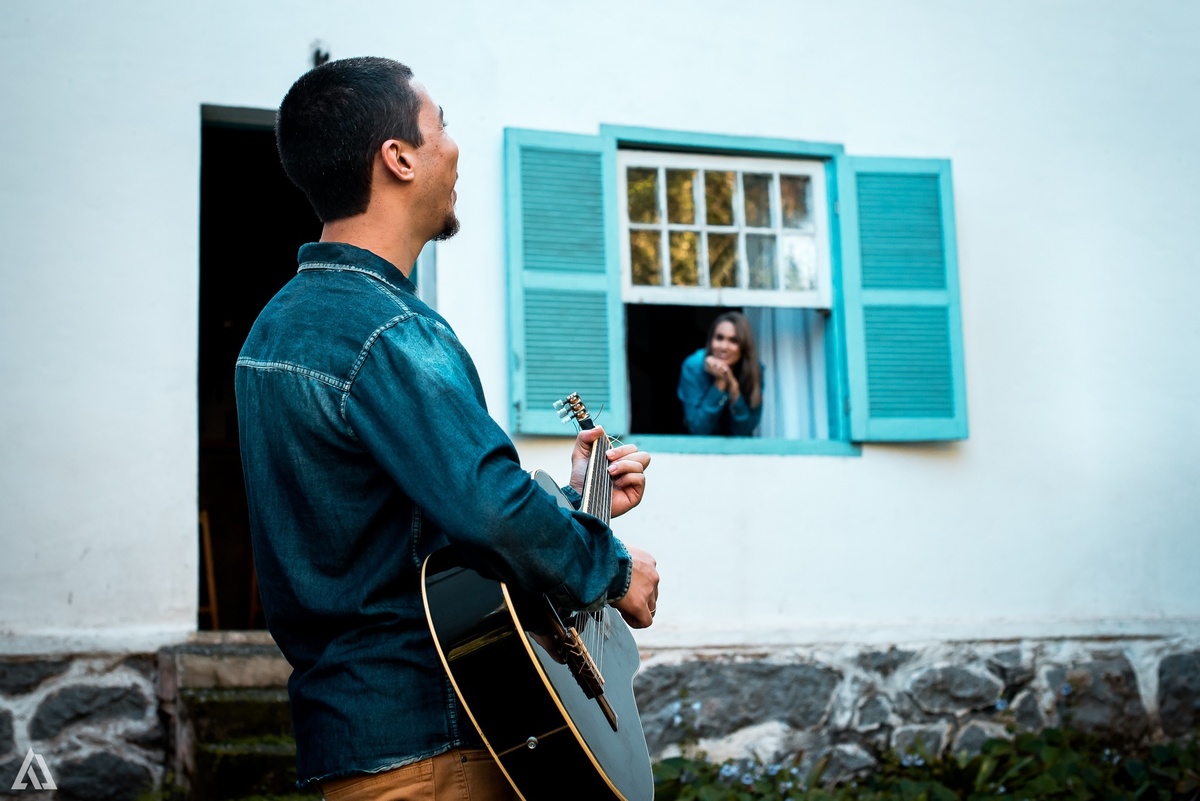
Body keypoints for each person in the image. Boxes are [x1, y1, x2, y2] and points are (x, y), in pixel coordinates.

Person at [235, 56, 659, 800]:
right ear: (397, 158)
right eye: (442, 127)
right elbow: (491, 508)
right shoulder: (388, 330)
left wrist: (567, 500)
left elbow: (408, 528)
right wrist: (614, 569)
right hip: (438, 751)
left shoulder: (273, 333)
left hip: (358, 746)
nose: (454, 147)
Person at [677, 311, 764, 436]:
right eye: (719, 338)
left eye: (733, 340)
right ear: (710, 340)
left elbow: (744, 430)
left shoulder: (754, 370)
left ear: (744, 346)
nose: (724, 347)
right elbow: (699, 429)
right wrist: (720, 383)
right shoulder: (693, 367)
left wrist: (734, 388)